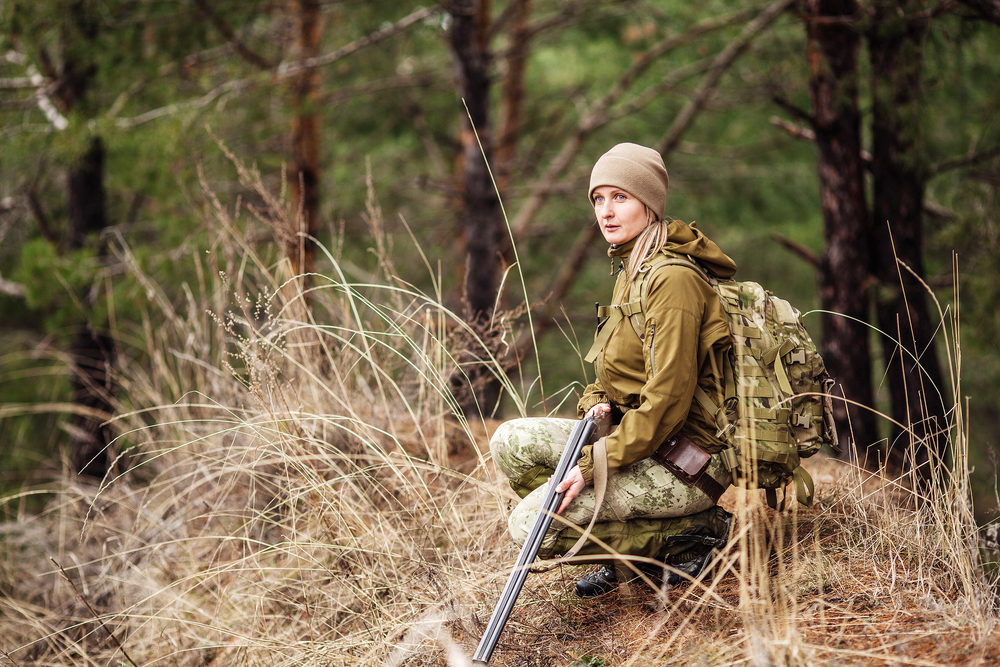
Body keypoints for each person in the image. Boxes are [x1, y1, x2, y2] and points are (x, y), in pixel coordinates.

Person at [490, 142, 736, 597]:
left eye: (620, 197)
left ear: (650, 203)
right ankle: (624, 546)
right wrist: (596, 402)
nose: (606, 211)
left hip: (686, 462)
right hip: (640, 443)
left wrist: (589, 466)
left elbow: (666, 405)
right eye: (598, 199)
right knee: (511, 441)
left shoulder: (673, 280)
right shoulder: (631, 268)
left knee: (529, 526)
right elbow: (609, 373)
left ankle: (694, 535)